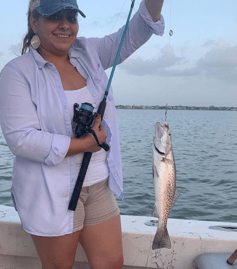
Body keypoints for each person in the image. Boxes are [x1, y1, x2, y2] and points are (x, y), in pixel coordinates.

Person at [0, 0, 164, 268]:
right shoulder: (16, 72)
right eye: (54, 17)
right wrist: (84, 144)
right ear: (34, 22)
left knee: (111, 263)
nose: (65, 25)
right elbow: (21, 139)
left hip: (98, 185)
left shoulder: (89, 51)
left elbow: (135, 32)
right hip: (49, 190)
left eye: (71, 16)